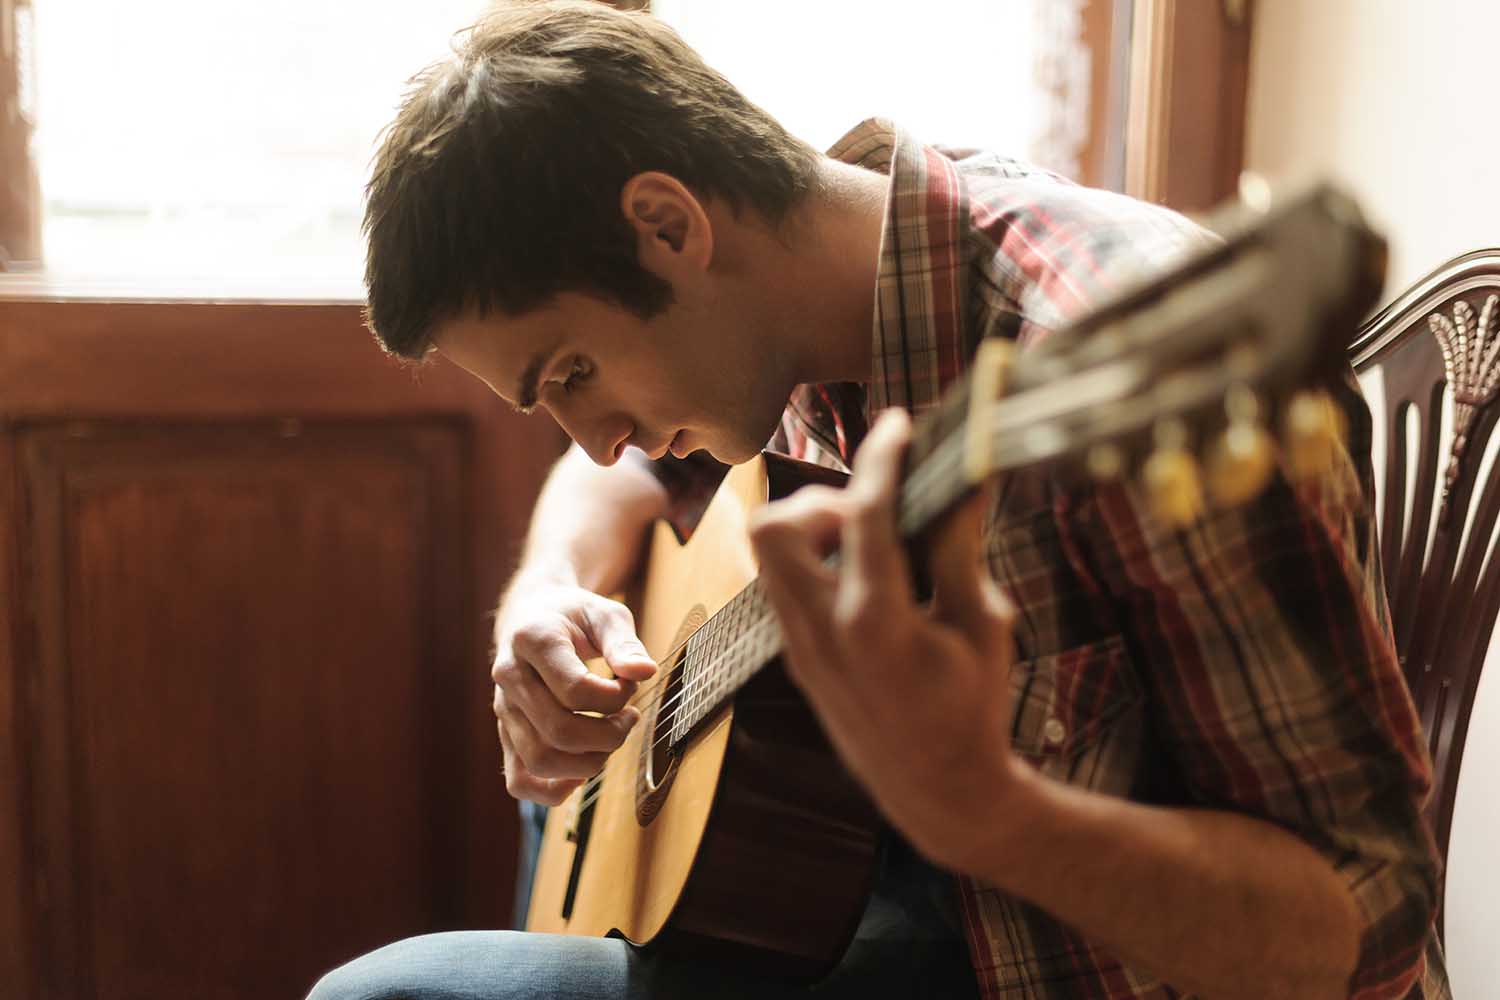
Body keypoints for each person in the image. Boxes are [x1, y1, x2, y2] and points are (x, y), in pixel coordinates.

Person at [309, 2, 1449, 997]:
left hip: (1052, 952)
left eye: (570, 373)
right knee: (572, 793)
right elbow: (623, 477)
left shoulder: (1110, 350)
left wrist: (992, 811)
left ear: (667, 226)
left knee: (390, 995)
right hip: (874, 877)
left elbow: (1369, 939)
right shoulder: (807, 293)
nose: (595, 441)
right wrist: (542, 601)